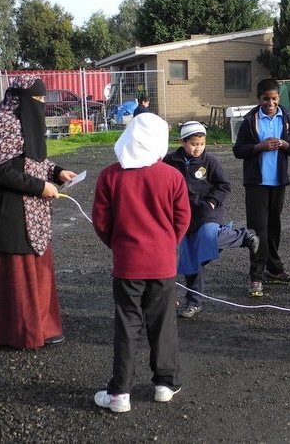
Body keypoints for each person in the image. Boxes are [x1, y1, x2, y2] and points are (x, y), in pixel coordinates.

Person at [91, 113, 191, 413]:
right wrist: (165, 243)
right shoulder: (172, 175)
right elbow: (182, 218)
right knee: (163, 324)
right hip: (161, 263)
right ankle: (165, 383)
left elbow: (101, 221)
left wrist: (119, 244)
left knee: (126, 325)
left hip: (127, 263)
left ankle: (120, 392)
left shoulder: (109, 176)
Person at [0, 75, 77, 349]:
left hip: (33, 211)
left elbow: (32, 158)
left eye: (43, 99)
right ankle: (16, 333)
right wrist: (40, 187)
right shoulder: (3, 122)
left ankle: (44, 326)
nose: (41, 105)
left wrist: (56, 172)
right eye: (38, 100)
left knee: (39, 270)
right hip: (7, 210)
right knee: (16, 273)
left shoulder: (25, 121)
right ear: (20, 99)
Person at [163, 121, 260, 318]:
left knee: (209, 235)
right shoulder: (170, 161)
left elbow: (223, 185)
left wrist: (212, 203)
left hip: (207, 212)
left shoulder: (210, 162)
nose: (197, 148)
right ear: (182, 141)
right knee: (191, 261)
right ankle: (193, 302)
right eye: (193, 144)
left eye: (201, 143)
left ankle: (244, 236)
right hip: (184, 218)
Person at [233, 78, 290, 297]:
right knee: (257, 230)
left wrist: (285, 144)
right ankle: (256, 275)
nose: (270, 103)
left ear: (279, 98)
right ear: (259, 98)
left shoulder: (288, 119)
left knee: (274, 228)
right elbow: (238, 150)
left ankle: (274, 268)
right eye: (265, 99)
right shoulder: (250, 120)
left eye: (273, 99)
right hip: (256, 184)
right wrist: (259, 147)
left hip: (278, 182)